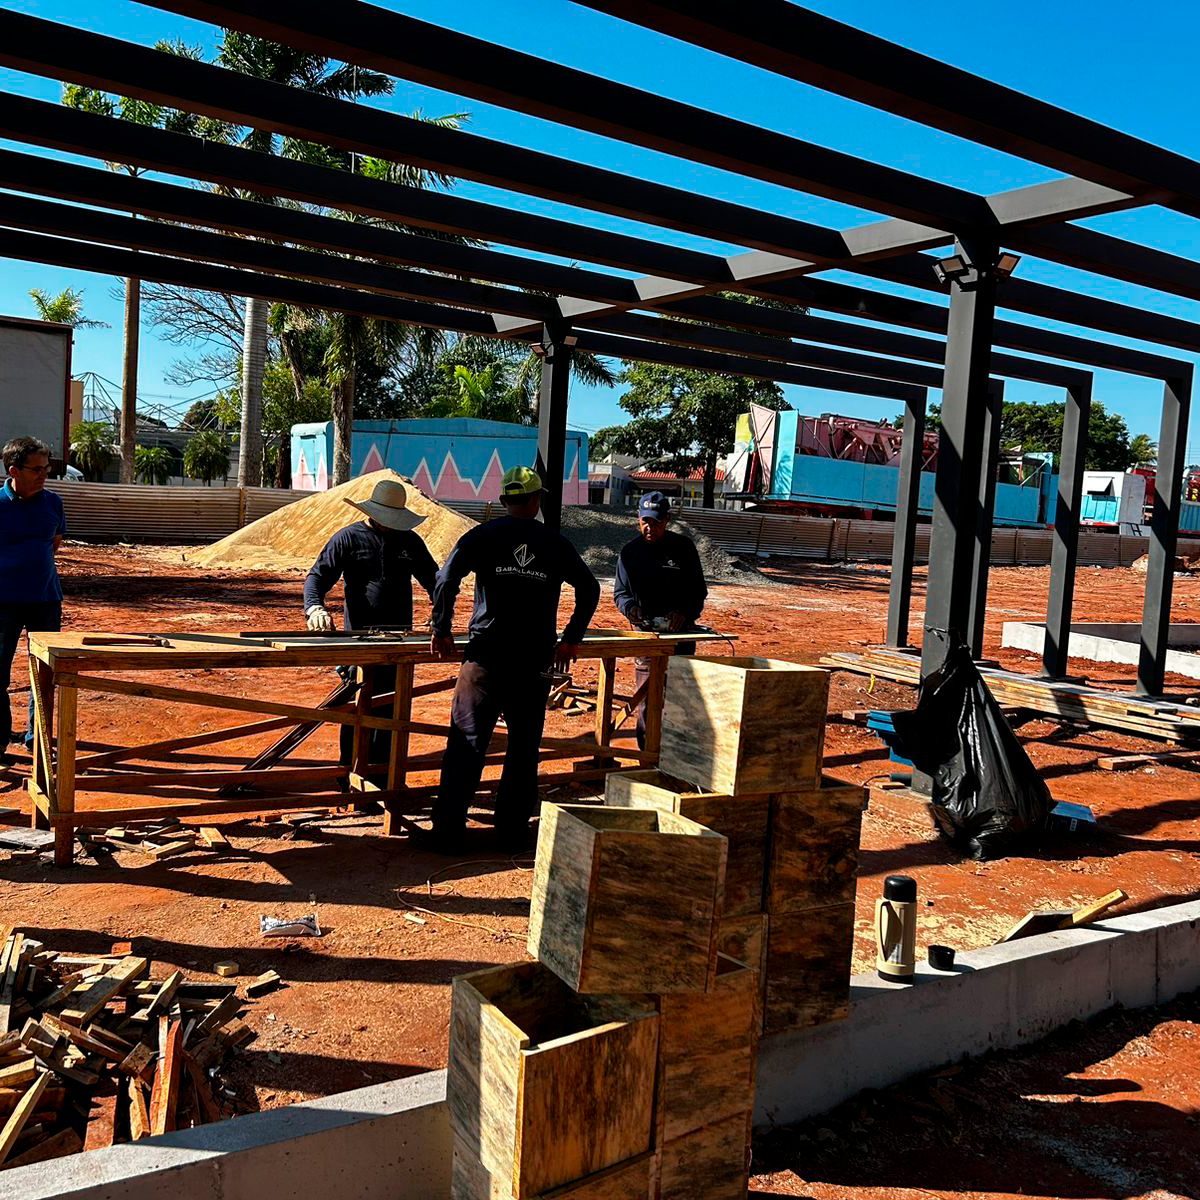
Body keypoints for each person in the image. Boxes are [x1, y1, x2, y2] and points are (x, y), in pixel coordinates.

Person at [428, 466, 600, 853]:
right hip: (534, 663)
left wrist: (442, 628)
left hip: (485, 659)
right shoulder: (554, 543)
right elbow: (588, 589)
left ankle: (449, 832)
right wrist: (570, 640)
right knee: (523, 748)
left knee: (467, 743)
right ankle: (511, 832)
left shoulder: (483, 535)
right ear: (537, 501)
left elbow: (445, 579)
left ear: (505, 501)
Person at [303, 478, 438, 769]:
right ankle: (348, 774)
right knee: (356, 711)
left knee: (391, 711)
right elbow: (317, 577)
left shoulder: (410, 541)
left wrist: (440, 610)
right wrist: (314, 607)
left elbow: (435, 580)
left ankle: (381, 777)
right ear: (373, 512)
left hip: (398, 643)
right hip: (359, 643)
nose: (390, 524)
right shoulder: (348, 539)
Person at [613, 491, 708, 747]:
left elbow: (698, 591)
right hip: (647, 639)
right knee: (647, 700)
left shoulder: (683, 549)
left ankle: (679, 755)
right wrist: (631, 609)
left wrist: (683, 612)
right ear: (638, 519)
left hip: (681, 639)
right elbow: (620, 594)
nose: (649, 527)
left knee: (681, 699)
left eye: (655, 522)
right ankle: (648, 754)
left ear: (666, 520)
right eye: (645, 521)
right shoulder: (629, 553)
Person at [0, 436, 66, 763]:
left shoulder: (53, 503)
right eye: (37, 469)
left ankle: (37, 740)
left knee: (43, 675)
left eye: (47, 467)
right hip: (3, 603)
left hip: (45, 601)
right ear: (14, 470)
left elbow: (53, 545)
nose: (44, 474)